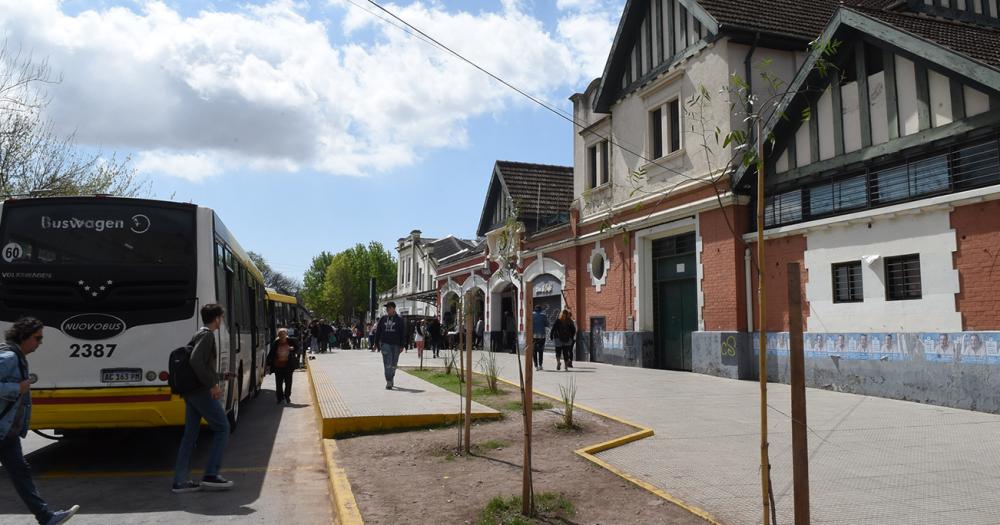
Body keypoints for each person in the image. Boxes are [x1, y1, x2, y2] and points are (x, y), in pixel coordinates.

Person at [0, 317, 80, 525]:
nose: (39, 343)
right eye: (37, 338)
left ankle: (46, 517)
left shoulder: (17, 357)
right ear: (24, 336)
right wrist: (17, 388)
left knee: (22, 474)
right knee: (21, 474)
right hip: (3, 430)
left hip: (8, 432)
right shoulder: (9, 358)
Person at [173, 304, 235, 493]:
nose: (222, 320)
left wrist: (221, 376)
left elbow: (200, 366)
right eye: (221, 317)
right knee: (223, 428)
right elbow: (195, 361)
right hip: (200, 391)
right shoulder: (207, 336)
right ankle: (211, 475)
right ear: (216, 318)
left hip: (192, 391)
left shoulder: (198, 334)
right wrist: (212, 385)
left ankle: (180, 481)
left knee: (190, 436)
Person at [374, 302, 406, 389]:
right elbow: (378, 331)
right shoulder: (383, 319)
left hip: (396, 345)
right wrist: (376, 343)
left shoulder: (400, 319)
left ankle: (391, 378)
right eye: (386, 308)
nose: (387, 309)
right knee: (387, 363)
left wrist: (402, 345)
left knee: (393, 364)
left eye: (389, 307)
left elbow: (403, 333)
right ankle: (388, 381)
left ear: (393, 308)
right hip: (385, 344)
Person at [267, 328, 299, 405]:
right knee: (279, 383)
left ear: (286, 335)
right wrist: (268, 364)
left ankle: (287, 396)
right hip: (278, 366)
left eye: (283, 334)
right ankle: (279, 398)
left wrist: (293, 348)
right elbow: (271, 353)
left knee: (288, 382)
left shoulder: (291, 341)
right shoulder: (276, 343)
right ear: (278, 335)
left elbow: (297, 348)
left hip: (288, 366)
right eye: (280, 334)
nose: (282, 336)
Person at [531, 305, 549, 371]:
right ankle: (540, 365)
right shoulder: (543, 315)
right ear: (540, 310)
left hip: (533, 336)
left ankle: (536, 366)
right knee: (541, 351)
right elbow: (547, 324)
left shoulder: (531, 315)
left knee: (534, 351)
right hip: (542, 336)